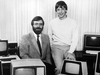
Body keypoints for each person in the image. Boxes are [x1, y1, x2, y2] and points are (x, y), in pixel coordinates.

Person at [48, 1, 79, 75]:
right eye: (58, 9)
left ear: (66, 10)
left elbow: (75, 39)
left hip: (68, 48)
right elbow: (49, 36)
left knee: (73, 68)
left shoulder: (73, 22)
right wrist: (52, 48)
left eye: (62, 9)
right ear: (56, 11)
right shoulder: (52, 22)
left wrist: (70, 52)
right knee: (59, 68)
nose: (60, 11)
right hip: (56, 48)